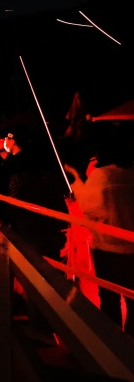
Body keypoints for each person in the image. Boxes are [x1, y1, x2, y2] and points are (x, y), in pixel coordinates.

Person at [65, 126, 134, 335]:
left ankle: (111, 342)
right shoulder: (131, 173)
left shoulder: (102, 175)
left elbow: (90, 209)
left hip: (107, 247)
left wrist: (76, 180)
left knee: (109, 297)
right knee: (132, 299)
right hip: (131, 248)